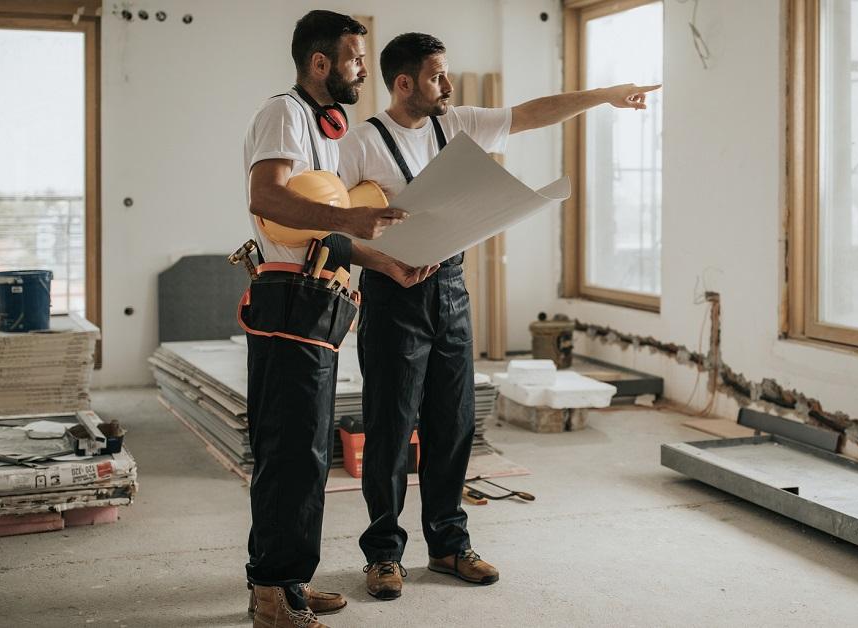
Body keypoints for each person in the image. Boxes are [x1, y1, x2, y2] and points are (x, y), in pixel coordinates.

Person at [337, 31, 659, 601]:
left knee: (454, 423)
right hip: (392, 296)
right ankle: (384, 555)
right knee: (389, 429)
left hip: (452, 290)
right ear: (404, 82)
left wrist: (605, 94)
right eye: (437, 75)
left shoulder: (454, 124)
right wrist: (382, 264)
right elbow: (335, 225)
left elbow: (532, 114)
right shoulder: (360, 143)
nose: (448, 84)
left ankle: (448, 545)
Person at [241, 11, 407, 627]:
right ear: (320, 62)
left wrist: (384, 263)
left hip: (318, 296)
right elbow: (268, 197)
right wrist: (353, 222)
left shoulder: (325, 132)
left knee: (308, 451)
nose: (363, 68)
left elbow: (326, 222)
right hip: (289, 297)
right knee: (290, 451)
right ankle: (272, 595)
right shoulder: (283, 111)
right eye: (355, 58)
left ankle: (286, 583)